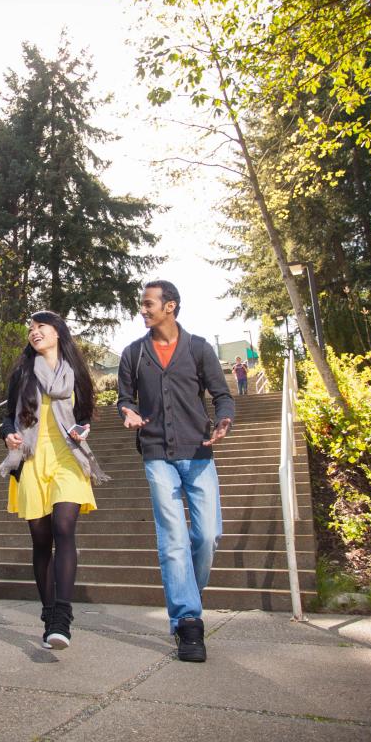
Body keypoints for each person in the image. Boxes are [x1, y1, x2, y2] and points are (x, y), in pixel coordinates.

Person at [117, 280, 235, 663]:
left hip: (199, 453)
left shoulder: (199, 348)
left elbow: (222, 395)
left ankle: (188, 594)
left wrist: (224, 421)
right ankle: (188, 621)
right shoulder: (133, 354)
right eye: (142, 304)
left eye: (149, 303)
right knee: (173, 540)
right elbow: (124, 397)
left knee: (207, 536)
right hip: (156, 454)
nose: (143, 309)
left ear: (170, 306)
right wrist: (127, 411)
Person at [0, 311, 109, 649]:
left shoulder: (76, 372)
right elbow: (6, 418)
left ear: (58, 331)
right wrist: (9, 436)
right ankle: (48, 612)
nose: (34, 332)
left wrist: (84, 426)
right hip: (31, 458)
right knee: (41, 540)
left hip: (68, 458)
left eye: (40, 326)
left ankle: (62, 615)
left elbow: (86, 412)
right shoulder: (22, 373)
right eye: (30, 328)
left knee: (64, 528)